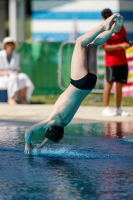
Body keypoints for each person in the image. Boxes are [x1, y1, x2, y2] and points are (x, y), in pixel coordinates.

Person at [25, 14, 124, 154]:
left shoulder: (64, 122)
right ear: (49, 129)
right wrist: (28, 145)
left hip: (89, 84)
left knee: (93, 45)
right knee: (80, 42)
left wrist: (41, 146)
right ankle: (104, 26)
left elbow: (52, 133)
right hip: (78, 82)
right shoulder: (52, 120)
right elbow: (29, 131)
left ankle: (113, 30)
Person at [101, 8, 133, 117]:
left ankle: (118, 108)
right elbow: (105, 48)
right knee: (109, 84)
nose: (107, 17)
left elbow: (124, 37)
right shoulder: (104, 29)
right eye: (105, 16)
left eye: (109, 15)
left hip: (122, 60)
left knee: (119, 85)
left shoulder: (119, 26)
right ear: (103, 18)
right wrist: (119, 46)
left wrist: (128, 42)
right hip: (111, 62)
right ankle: (105, 108)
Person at [0, 37, 34, 105]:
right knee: (13, 77)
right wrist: (4, 73)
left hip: (12, 75)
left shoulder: (16, 55)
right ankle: (10, 98)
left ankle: (21, 99)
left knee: (24, 77)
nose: (9, 45)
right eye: (8, 43)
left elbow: (16, 69)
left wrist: (15, 72)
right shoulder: (0, 55)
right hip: (3, 77)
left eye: (11, 43)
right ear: (5, 45)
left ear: (13, 45)